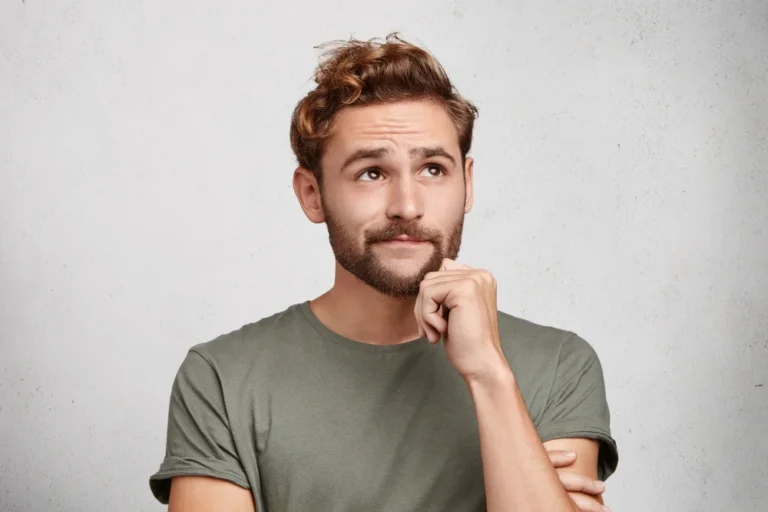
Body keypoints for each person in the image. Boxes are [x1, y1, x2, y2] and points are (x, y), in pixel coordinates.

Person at [149, 33, 619, 512]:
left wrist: (489, 376)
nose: (407, 207)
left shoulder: (559, 365)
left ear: (467, 183)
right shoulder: (223, 379)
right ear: (312, 194)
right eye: (371, 172)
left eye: (433, 169)